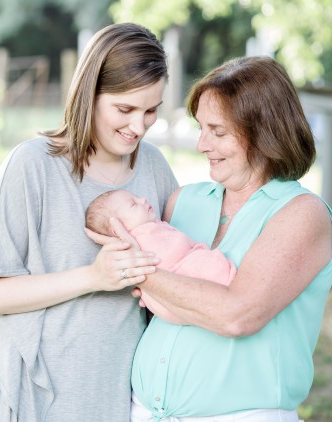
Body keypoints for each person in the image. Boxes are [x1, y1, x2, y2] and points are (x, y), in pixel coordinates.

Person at [87, 56, 332, 421]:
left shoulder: (302, 213)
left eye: (218, 132)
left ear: (264, 131)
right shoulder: (184, 200)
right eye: (201, 128)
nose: (202, 144)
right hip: (143, 413)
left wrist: (133, 266)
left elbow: (236, 315)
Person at [0, 22, 178, 421]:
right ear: (89, 94)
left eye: (151, 111)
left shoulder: (154, 168)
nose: (139, 126)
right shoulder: (31, 166)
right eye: (125, 109)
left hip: (117, 396)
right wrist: (94, 276)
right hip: (35, 393)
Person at [85, 189, 236, 324]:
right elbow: (169, 256)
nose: (143, 199)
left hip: (172, 302)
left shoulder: (149, 230)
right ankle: (226, 279)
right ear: (117, 228)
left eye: (137, 196)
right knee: (205, 264)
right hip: (179, 286)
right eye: (134, 204)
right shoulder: (144, 235)